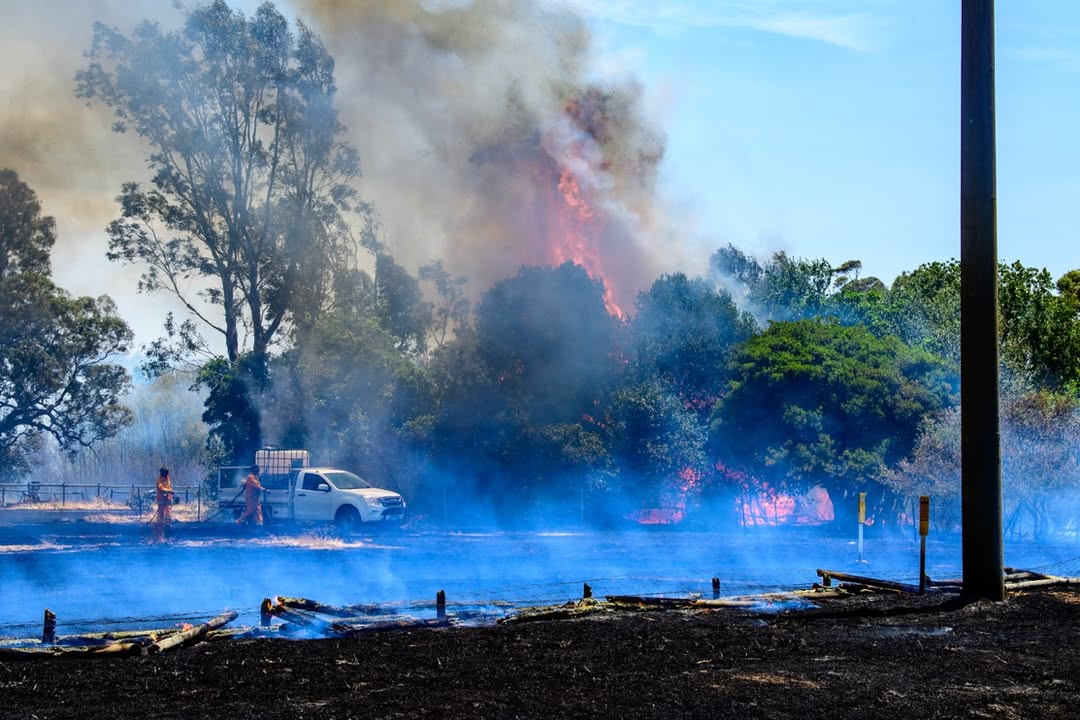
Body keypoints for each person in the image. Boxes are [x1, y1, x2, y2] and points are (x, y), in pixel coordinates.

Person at [151, 466, 174, 541]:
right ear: (162, 473)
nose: (167, 474)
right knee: (161, 516)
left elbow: (169, 486)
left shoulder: (167, 478)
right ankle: (158, 532)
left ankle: (167, 529)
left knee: (168, 515)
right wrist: (168, 491)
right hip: (161, 501)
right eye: (166, 472)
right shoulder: (159, 481)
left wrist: (170, 494)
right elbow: (161, 489)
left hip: (167, 500)